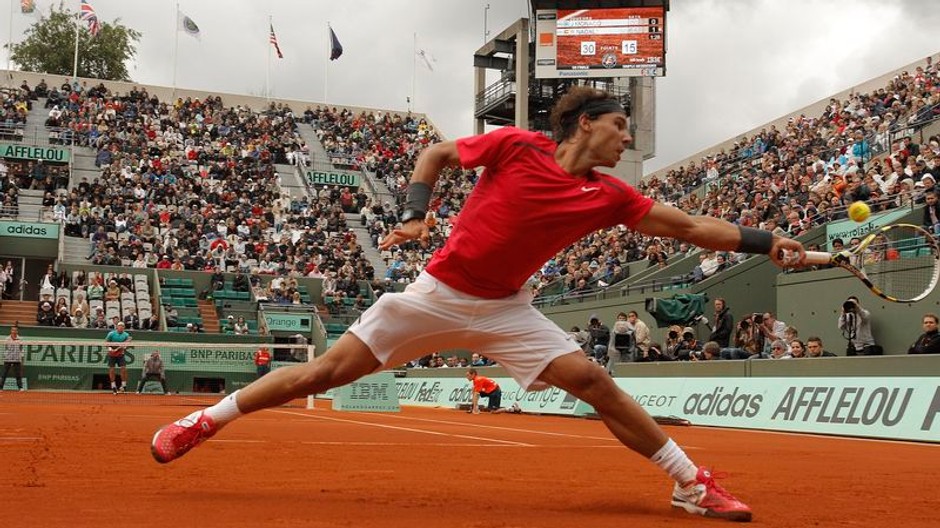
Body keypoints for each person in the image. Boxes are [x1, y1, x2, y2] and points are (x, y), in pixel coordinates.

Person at [151, 86, 806, 522]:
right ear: (586, 124)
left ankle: (689, 482)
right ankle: (205, 420)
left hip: (507, 310)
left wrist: (765, 239)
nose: (624, 141)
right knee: (322, 374)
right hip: (435, 295)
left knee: (596, 383)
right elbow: (434, 153)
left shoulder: (610, 196)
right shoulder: (517, 146)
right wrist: (414, 215)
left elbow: (691, 229)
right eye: (618, 128)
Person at [105, 321, 132, 394]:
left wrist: (124, 346)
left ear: (124, 328)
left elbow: (129, 340)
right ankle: (113, 386)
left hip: (120, 354)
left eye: (122, 326)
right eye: (120, 326)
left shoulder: (126, 334)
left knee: (123, 369)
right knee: (112, 370)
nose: (121, 327)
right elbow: (106, 342)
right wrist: (110, 348)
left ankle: (124, 386)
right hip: (112, 354)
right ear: (117, 327)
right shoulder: (111, 334)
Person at [2, 325, 24, 391]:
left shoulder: (20, 339)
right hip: (8, 359)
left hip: (17, 359)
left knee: (18, 374)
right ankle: (0, 387)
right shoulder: (7, 339)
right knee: (4, 374)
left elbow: (21, 349)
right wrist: (6, 356)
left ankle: (20, 387)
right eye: (13, 330)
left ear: (17, 331)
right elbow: (6, 348)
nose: (14, 331)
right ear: (11, 331)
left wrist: (21, 358)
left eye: (15, 330)